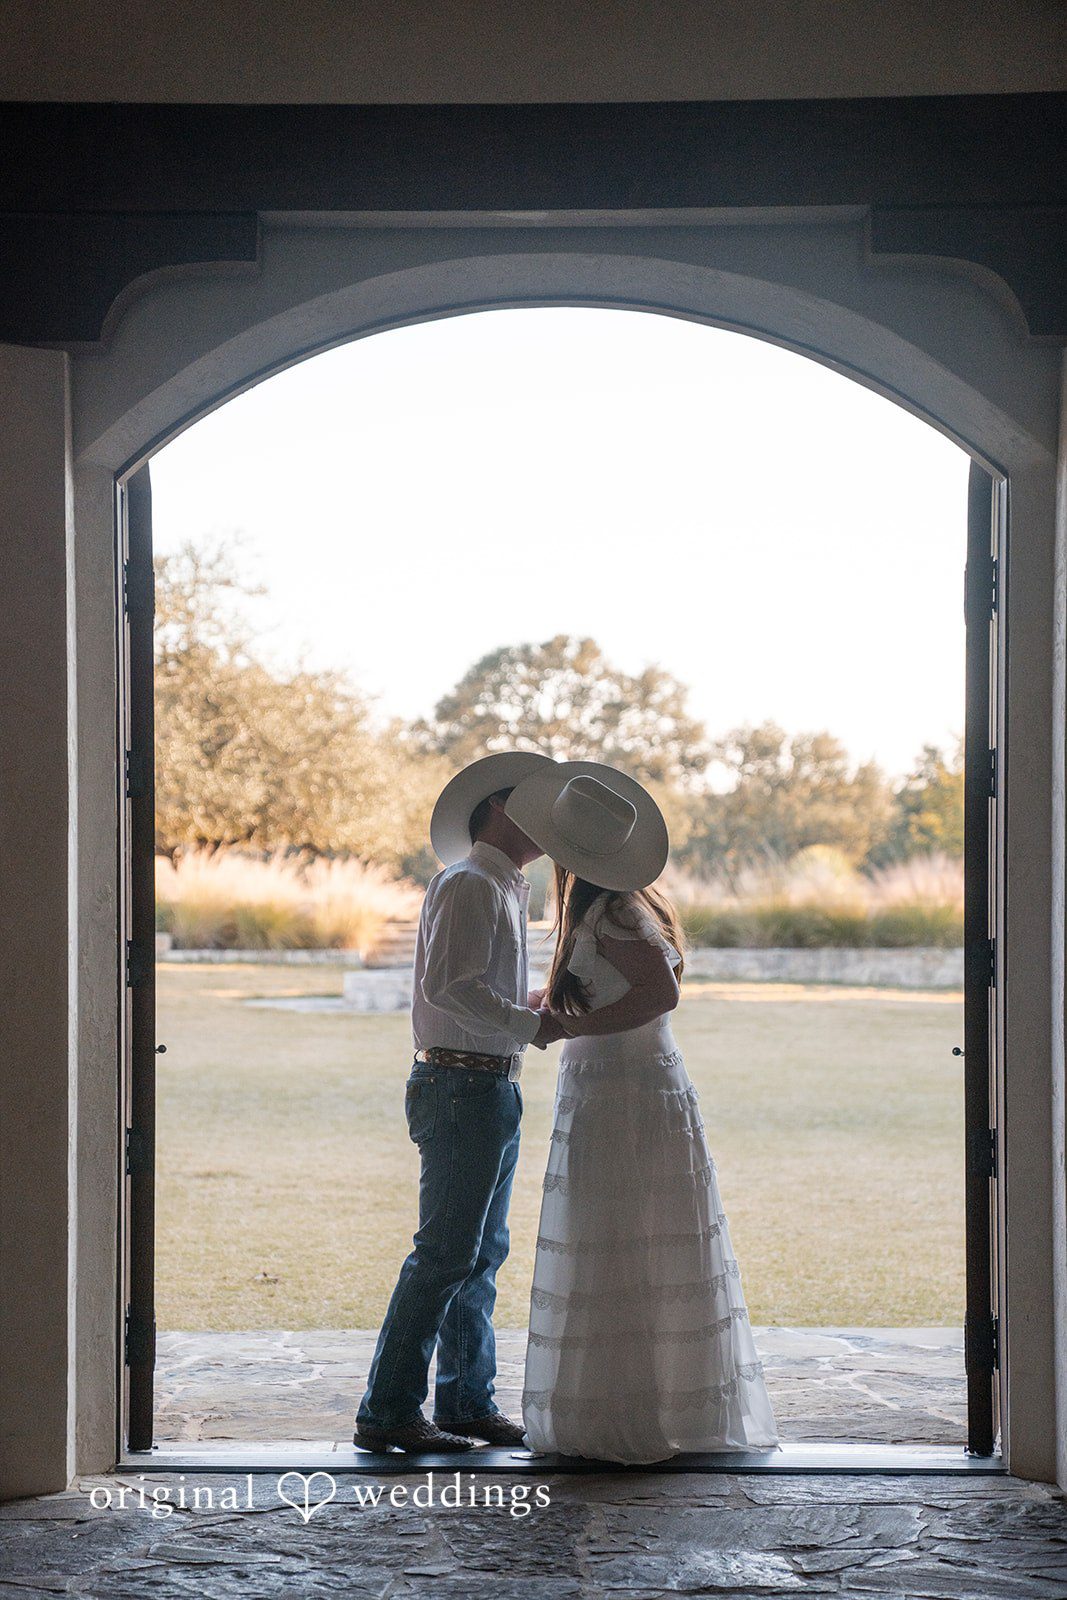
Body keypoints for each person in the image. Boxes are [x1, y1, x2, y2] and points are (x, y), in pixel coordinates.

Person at [504, 761, 781, 1464]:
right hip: (617, 1082)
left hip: (624, 1089)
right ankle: (636, 1398)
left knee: (624, 1228)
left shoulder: (614, 909)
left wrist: (565, 1030)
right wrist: (532, 1008)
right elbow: (602, 989)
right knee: (625, 1229)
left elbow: (656, 997)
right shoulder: (615, 907)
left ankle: (633, 1409)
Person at [353, 751, 566, 1453]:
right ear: (500, 810)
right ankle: (387, 1412)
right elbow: (450, 988)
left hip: (485, 1082)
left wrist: (528, 1008)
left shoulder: (502, 885)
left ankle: (466, 1404)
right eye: (538, 808)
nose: (554, 824)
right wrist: (532, 1024)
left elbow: (474, 988)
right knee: (445, 1255)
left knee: (477, 1253)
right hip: (460, 1085)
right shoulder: (471, 882)